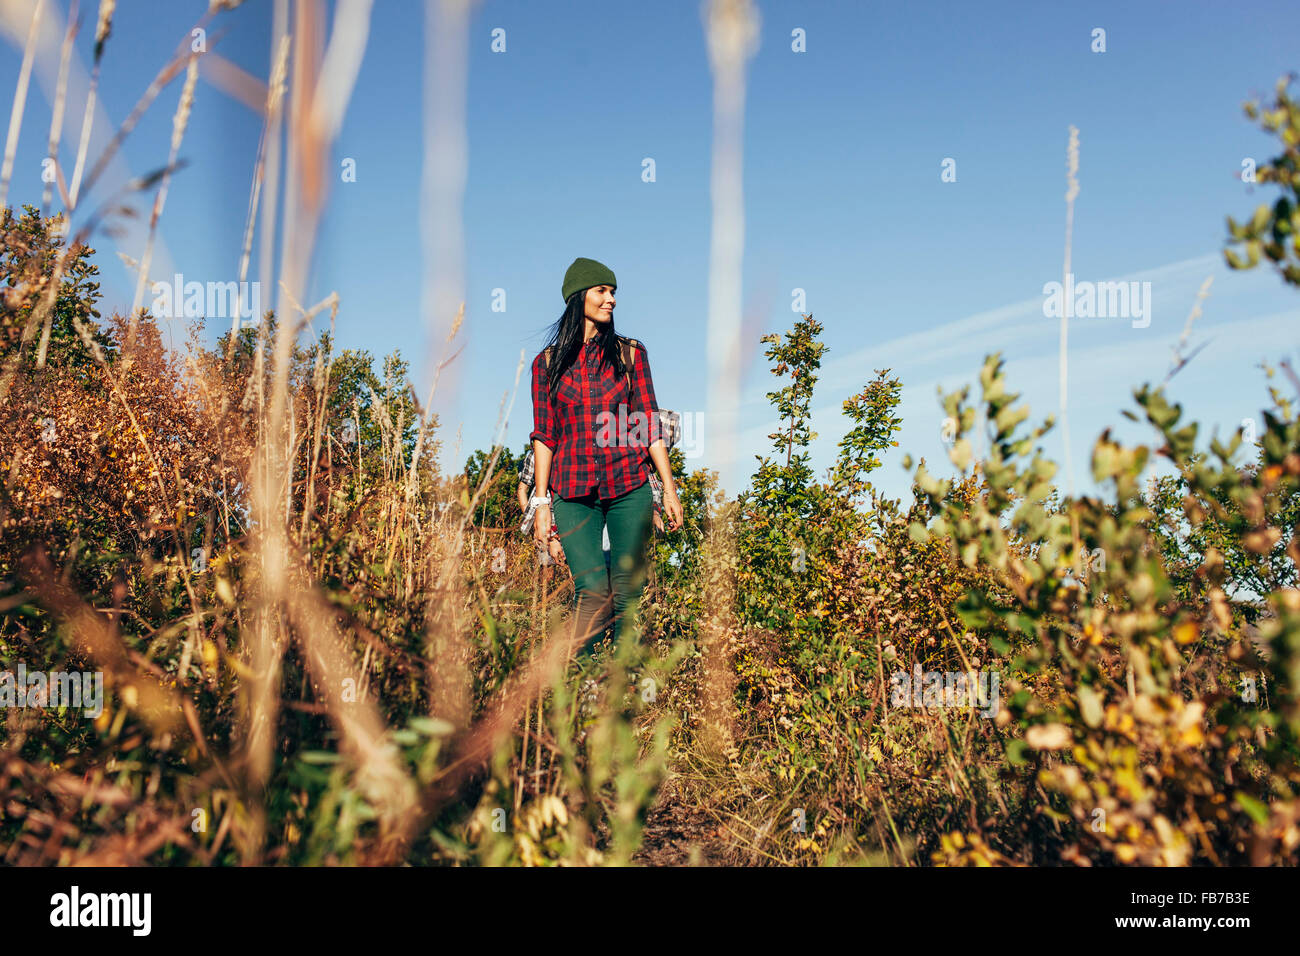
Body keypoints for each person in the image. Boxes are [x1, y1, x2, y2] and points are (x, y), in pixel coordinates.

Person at [528, 257, 684, 657]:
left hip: (628, 486)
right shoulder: (545, 365)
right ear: (579, 297)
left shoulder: (631, 355)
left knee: (628, 591)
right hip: (572, 492)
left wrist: (669, 488)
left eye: (613, 292)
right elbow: (545, 436)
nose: (610, 299)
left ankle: (623, 688)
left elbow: (649, 423)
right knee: (593, 592)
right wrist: (542, 502)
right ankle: (577, 686)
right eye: (601, 290)